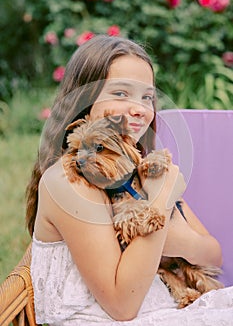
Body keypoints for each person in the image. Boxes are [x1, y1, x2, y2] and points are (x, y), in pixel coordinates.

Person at [27, 35, 233, 326]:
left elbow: (214, 255)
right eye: (121, 94)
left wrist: (179, 243)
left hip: (166, 307)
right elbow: (122, 306)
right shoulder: (71, 181)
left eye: (147, 97)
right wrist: (160, 201)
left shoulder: (135, 171)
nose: (139, 108)